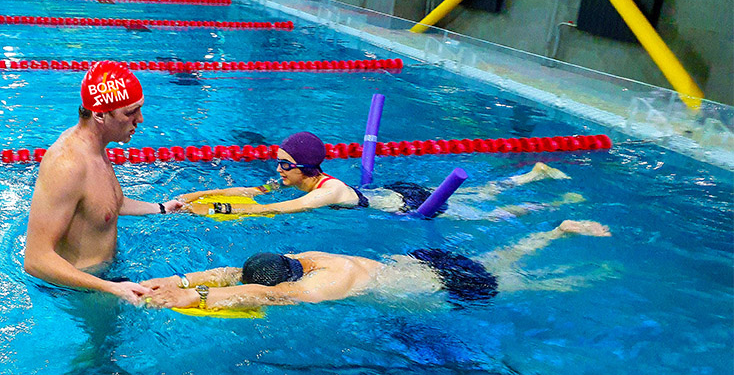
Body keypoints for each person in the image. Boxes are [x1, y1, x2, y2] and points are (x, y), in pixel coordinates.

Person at [142, 220, 611, 310]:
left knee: (536, 285)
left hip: (444, 286)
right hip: (421, 262)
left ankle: (601, 272)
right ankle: (552, 231)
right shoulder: (306, 260)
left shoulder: (317, 288)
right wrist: (175, 280)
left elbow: (265, 294)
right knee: (500, 260)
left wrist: (188, 298)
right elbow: (235, 275)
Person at [24, 61, 183, 302]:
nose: (140, 119)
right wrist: (110, 288)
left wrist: (160, 209)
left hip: (105, 281)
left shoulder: (96, 148)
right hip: (80, 294)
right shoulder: (67, 165)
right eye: (130, 112)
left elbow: (105, 204)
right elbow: (36, 259)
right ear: (99, 114)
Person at [178, 131, 582, 220]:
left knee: (486, 213)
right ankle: (530, 177)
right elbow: (250, 189)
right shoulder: (296, 176)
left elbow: (279, 209)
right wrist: (196, 196)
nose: (276, 170)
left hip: (411, 205)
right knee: (476, 198)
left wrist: (220, 211)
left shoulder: (327, 190)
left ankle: (551, 202)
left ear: (303, 167)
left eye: (283, 164)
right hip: (393, 194)